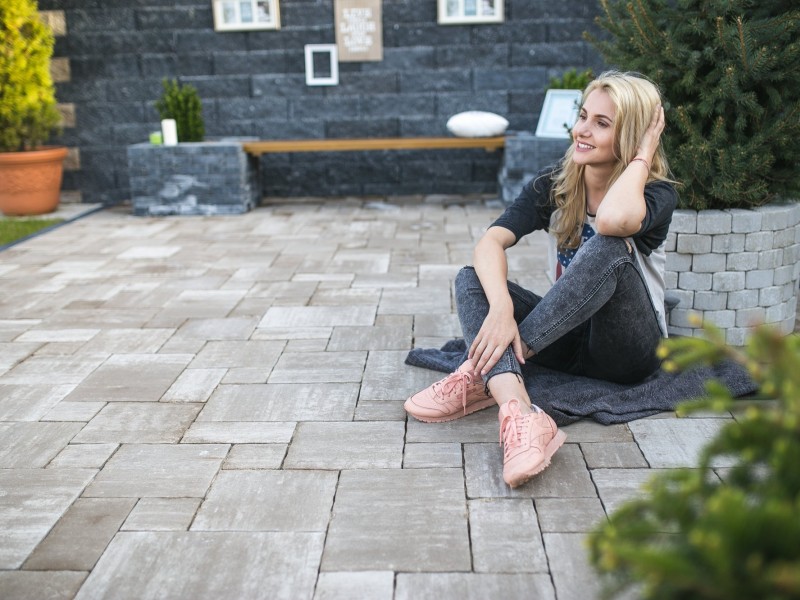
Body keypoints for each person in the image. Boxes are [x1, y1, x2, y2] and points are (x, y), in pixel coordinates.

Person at [405, 71, 678, 488]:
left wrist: (643, 155)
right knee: (472, 278)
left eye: (602, 124)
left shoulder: (655, 193)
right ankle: (521, 413)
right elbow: (489, 242)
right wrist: (501, 309)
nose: (582, 130)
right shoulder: (556, 182)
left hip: (628, 350)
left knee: (608, 246)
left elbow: (611, 222)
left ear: (631, 136)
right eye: (583, 116)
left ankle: (484, 369)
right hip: (564, 335)